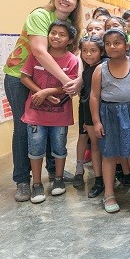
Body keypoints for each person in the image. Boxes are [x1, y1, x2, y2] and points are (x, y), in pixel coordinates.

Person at [4, 0, 82, 201]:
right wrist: (68, 82)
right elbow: (39, 51)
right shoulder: (40, 15)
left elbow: (75, 57)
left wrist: (75, 81)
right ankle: (22, 180)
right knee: (24, 128)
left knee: (51, 125)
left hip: (51, 81)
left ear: (76, 4)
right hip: (21, 76)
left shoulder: (71, 25)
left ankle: (53, 172)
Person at [90, 29, 130, 213]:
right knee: (109, 154)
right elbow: (94, 96)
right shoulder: (100, 69)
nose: (112, 46)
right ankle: (109, 193)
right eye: (108, 43)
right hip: (109, 115)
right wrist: (96, 121)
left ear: (126, 46)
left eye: (117, 42)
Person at [20, 21, 79, 203]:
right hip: (35, 114)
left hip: (60, 116)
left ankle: (58, 180)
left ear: (69, 40)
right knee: (35, 149)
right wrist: (40, 92)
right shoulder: (37, 55)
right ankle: (37, 184)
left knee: (59, 148)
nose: (56, 37)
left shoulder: (72, 60)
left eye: (62, 34)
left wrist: (49, 92)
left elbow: (70, 86)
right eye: (53, 33)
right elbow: (24, 77)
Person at [77, 35, 106, 197]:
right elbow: (84, 97)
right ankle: (98, 179)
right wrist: (84, 119)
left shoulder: (104, 67)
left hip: (104, 112)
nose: (88, 55)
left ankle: (120, 175)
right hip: (89, 114)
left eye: (93, 51)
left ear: (101, 52)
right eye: (85, 51)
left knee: (107, 148)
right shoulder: (86, 69)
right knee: (95, 146)